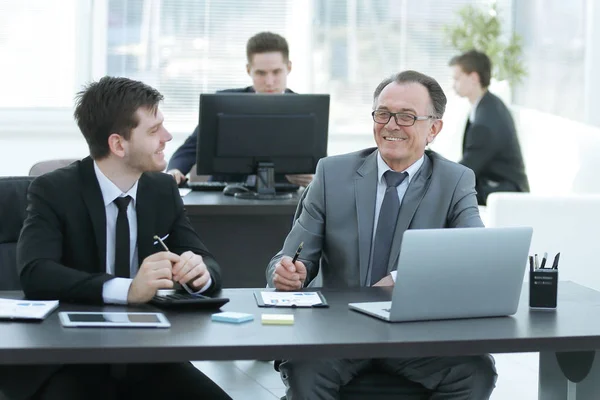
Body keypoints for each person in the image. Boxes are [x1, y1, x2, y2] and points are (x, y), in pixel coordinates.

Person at [266, 70, 497, 400]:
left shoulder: (455, 180)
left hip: (413, 334)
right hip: (339, 329)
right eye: (383, 114)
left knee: (476, 374)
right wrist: (287, 274)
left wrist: (402, 279)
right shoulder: (332, 174)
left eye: (406, 116)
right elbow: (289, 258)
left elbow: (475, 255)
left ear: (434, 128)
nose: (391, 125)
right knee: (305, 371)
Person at [6, 77, 231, 400]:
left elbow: (205, 261)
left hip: (148, 358)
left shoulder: (162, 189)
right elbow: (36, 272)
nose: (167, 138)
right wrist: (128, 290)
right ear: (118, 145)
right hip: (70, 359)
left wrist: (200, 272)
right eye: (154, 131)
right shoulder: (53, 190)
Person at [167, 31, 312, 187]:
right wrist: (174, 170)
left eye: (276, 72)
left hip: (280, 199)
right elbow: (190, 149)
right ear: (249, 70)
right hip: (224, 197)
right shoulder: (223, 103)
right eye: (261, 73)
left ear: (289, 67)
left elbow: (315, 162)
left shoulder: (305, 110)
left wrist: (312, 178)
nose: (269, 82)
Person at [449, 50, 529, 205]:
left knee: (448, 194)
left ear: (473, 78)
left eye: (457, 79)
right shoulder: (489, 104)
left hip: (504, 191)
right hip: (498, 184)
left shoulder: (485, 121)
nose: (454, 85)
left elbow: (468, 168)